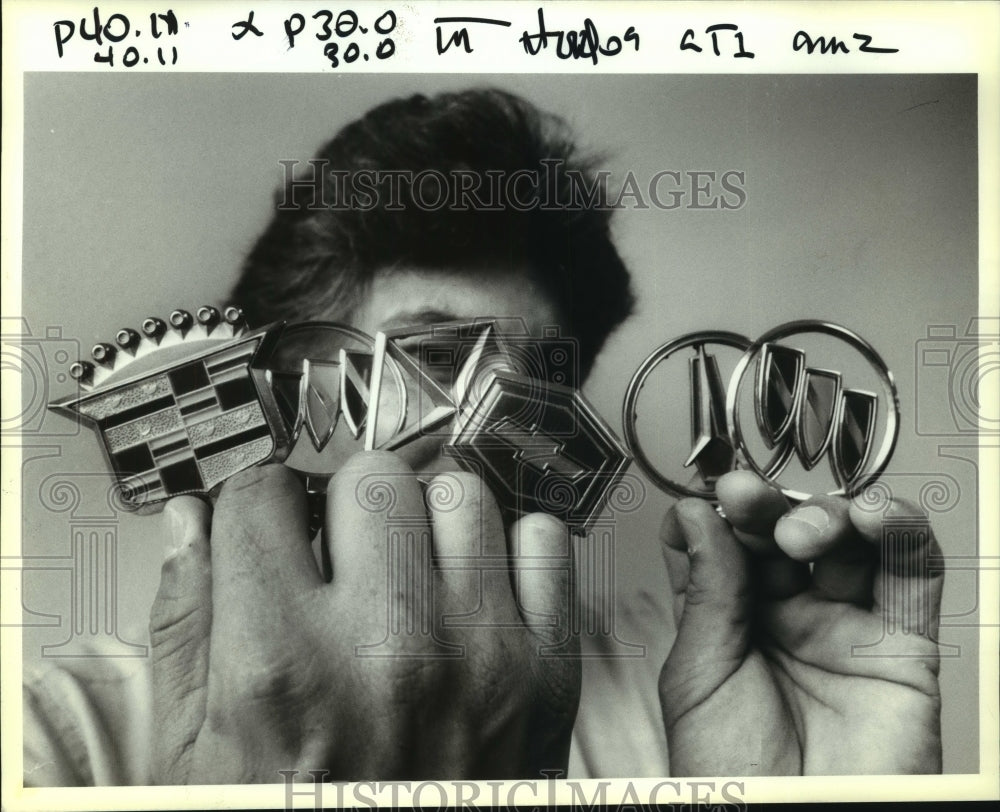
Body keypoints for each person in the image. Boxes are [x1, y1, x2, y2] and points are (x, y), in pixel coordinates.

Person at [23, 87, 943, 784]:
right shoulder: (58, 741)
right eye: (430, 366)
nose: (482, 438)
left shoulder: (698, 710)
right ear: (283, 409)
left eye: (537, 387)